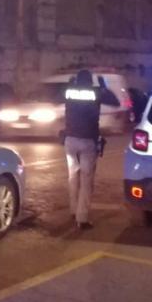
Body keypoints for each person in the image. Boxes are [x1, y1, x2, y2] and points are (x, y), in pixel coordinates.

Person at [63, 70, 102, 230]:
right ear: (90, 81)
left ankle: (73, 210)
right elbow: (113, 100)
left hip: (70, 140)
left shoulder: (70, 91)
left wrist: (71, 83)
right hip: (87, 141)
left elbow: (62, 94)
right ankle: (82, 218)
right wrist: (102, 85)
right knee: (86, 181)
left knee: (73, 176)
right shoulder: (95, 93)